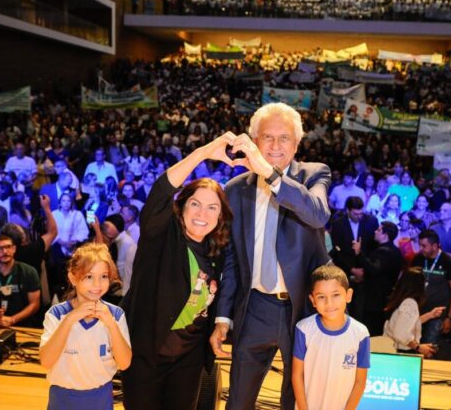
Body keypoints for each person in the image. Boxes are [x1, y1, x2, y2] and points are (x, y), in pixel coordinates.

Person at [210, 103, 331, 410]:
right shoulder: (235, 189)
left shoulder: (314, 174)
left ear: (297, 144)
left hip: (302, 309)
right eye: (267, 137)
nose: (275, 145)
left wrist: (270, 174)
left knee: (296, 401)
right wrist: (223, 316)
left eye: (284, 138)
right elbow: (232, 259)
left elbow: (318, 215)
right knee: (238, 401)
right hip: (254, 307)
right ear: (254, 141)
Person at [121, 133, 235, 410]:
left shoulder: (217, 251)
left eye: (212, 207)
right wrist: (203, 153)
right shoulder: (160, 236)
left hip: (188, 360)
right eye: (195, 203)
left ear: (220, 216)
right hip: (146, 355)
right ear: (181, 205)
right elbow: (161, 190)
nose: (202, 213)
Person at [40, 243, 132, 410]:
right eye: (89, 276)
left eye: (104, 276)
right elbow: (46, 361)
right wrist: (70, 320)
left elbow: (125, 363)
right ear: (73, 278)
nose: (97, 284)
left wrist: (111, 325)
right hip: (63, 398)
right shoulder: (57, 314)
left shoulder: (116, 315)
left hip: (101, 397)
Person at [292, 265, 370, 410]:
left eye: (336, 295)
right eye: (321, 297)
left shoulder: (360, 333)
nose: (329, 303)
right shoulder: (304, 329)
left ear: (348, 295)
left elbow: (360, 382)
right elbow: (297, 375)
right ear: (313, 300)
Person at [329, 196, 378, 322]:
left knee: (361, 311)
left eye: (361, 213)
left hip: (366, 273)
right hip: (345, 272)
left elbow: (374, 248)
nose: (359, 217)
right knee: (345, 307)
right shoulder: (338, 224)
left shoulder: (371, 221)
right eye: (356, 214)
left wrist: (364, 269)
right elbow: (337, 251)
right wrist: (352, 269)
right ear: (348, 210)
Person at [411, 230, 451, 344]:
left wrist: (449, 317)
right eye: (420, 245)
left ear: (434, 246)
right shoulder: (418, 258)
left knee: (430, 346)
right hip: (418, 311)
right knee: (413, 345)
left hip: (438, 314)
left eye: (424, 246)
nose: (420, 248)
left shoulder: (448, 262)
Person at [383, 267, 445, 357]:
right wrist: (419, 347)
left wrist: (430, 315)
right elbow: (401, 334)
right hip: (400, 354)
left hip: (392, 350)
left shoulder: (400, 299)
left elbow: (404, 324)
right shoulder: (410, 303)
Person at [356, 221, 403, 335]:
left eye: (378, 230)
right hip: (385, 297)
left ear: (385, 235)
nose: (375, 232)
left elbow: (374, 269)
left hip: (376, 300)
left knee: (372, 330)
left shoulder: (384, 252)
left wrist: (359, 253)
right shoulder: (395, 250)